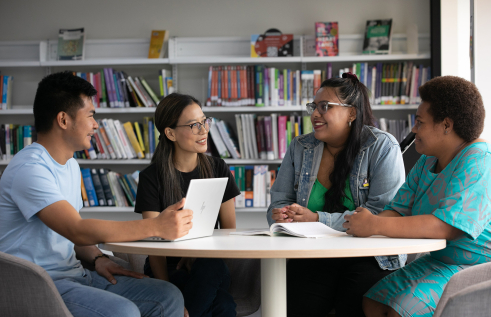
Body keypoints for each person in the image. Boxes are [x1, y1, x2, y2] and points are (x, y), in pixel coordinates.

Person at [0, 71, 188, 317]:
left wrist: (98, 258)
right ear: (63, 120)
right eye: (90, 116)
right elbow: (76, 228)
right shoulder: (30, 169)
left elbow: (70, 238)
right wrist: (156, 226)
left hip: (76, 275)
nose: (96, 125)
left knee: (168, 295)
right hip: (39, 285)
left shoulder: (70, 165)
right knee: (123, 312)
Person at [344, 76, 490, 317]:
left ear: (446, 125)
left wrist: (375, 224)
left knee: (399, 311)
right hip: (439, 261)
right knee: (372, 303)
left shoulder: (479, 160)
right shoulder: (428, 159)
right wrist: (367, 222)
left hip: (475, 267)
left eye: (419, 122)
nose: (413, 129)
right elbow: (399, 208)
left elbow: (447, 227)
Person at [266, 73, 407, 317]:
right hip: (314, 254)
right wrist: (281, 214)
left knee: (354, 304)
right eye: (314, 107)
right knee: (295, 306)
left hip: (370, 254)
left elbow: (383, 215)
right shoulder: (300, 147)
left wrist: (316, 219)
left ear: (351, 113)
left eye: (325, 107)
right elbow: (279, 200)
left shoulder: (382, 146)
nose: (315, 115)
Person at [134, 93, 239, 317]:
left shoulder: (218, 167)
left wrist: (197, 254)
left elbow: (230, 230)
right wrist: (165, 292)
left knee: (211, 266)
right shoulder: (151, 177)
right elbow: (153, 244)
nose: (203, 130)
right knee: (224, 305)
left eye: (204, 121)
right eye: (193, 125)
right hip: (167, 270)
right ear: (170, 133)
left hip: (209, 264)